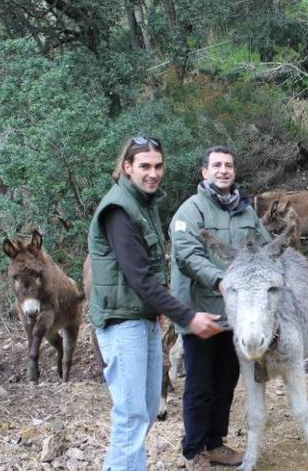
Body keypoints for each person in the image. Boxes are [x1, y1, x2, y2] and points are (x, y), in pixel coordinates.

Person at [87, 135, 223, 471]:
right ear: (127, 167)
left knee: (146, 410)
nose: (153, 173)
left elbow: (147, 275)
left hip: (141, 319)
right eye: (144, 166)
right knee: (132, 416)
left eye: (158, 165)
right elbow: (141, 278)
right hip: (122, 323)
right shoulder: (119, 209)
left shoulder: (143, 203)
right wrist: (187, 317)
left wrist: (160, 316)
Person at [169, 145, 271, 471]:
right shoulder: (190, 211)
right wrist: (220, 280)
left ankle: (215, 443)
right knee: (199, 385)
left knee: (226, 382)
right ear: (204, 172)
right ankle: (194, 450)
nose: (223, 170)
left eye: (228, 165)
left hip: (236, 316)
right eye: (217, 165)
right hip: (200, 313)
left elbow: (266, 248)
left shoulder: (245, 211)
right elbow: (188, 256)